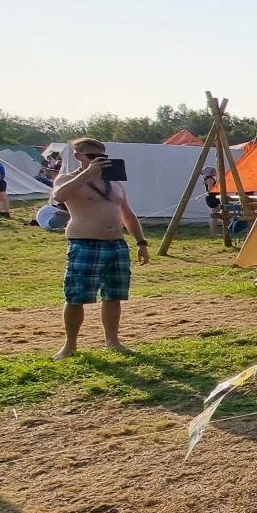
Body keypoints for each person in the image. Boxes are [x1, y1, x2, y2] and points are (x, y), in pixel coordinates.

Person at [49, 137, 149, 359]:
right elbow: (58, 196)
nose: (99, 161)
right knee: (76, 296)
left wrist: (141, 243)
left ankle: (113, 341)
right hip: (85, 242)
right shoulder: (68, 179)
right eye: (92, 157)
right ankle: (70, 345)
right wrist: (87, 174)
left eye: (102, 157)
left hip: (116, 244)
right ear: (78, 157)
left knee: (114, 295)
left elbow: (128, 215)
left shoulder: (114, 183)